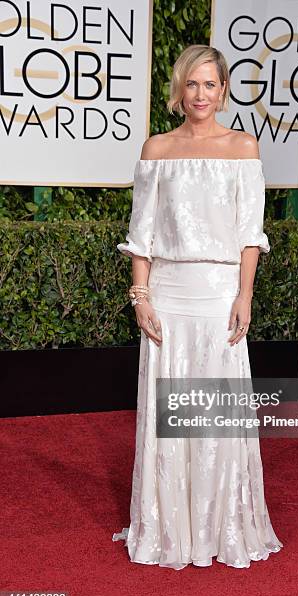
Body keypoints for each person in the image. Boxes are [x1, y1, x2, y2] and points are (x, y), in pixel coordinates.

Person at [112, 45, 283, 569]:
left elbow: (249, 235)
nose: (201, 95)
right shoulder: (157, 149)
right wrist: (140, 298)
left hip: (217, 296)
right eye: (192, 84)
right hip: (167, 296)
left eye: (210, 85)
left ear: (224, 89)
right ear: (178, 90)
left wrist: (244, 294)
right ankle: (168, 530)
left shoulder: (243, 147)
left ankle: (217, 529)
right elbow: (141, 236)